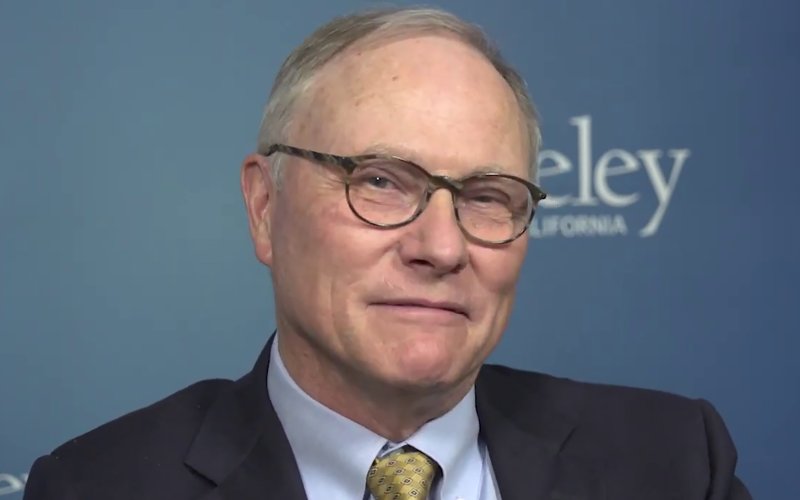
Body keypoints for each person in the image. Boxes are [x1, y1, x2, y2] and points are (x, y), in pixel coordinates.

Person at [24, 7, 751, 500]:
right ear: (265, 207)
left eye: (488, 195)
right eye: (379, 181)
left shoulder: (675, 462)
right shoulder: (100, 485)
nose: (441, 247)